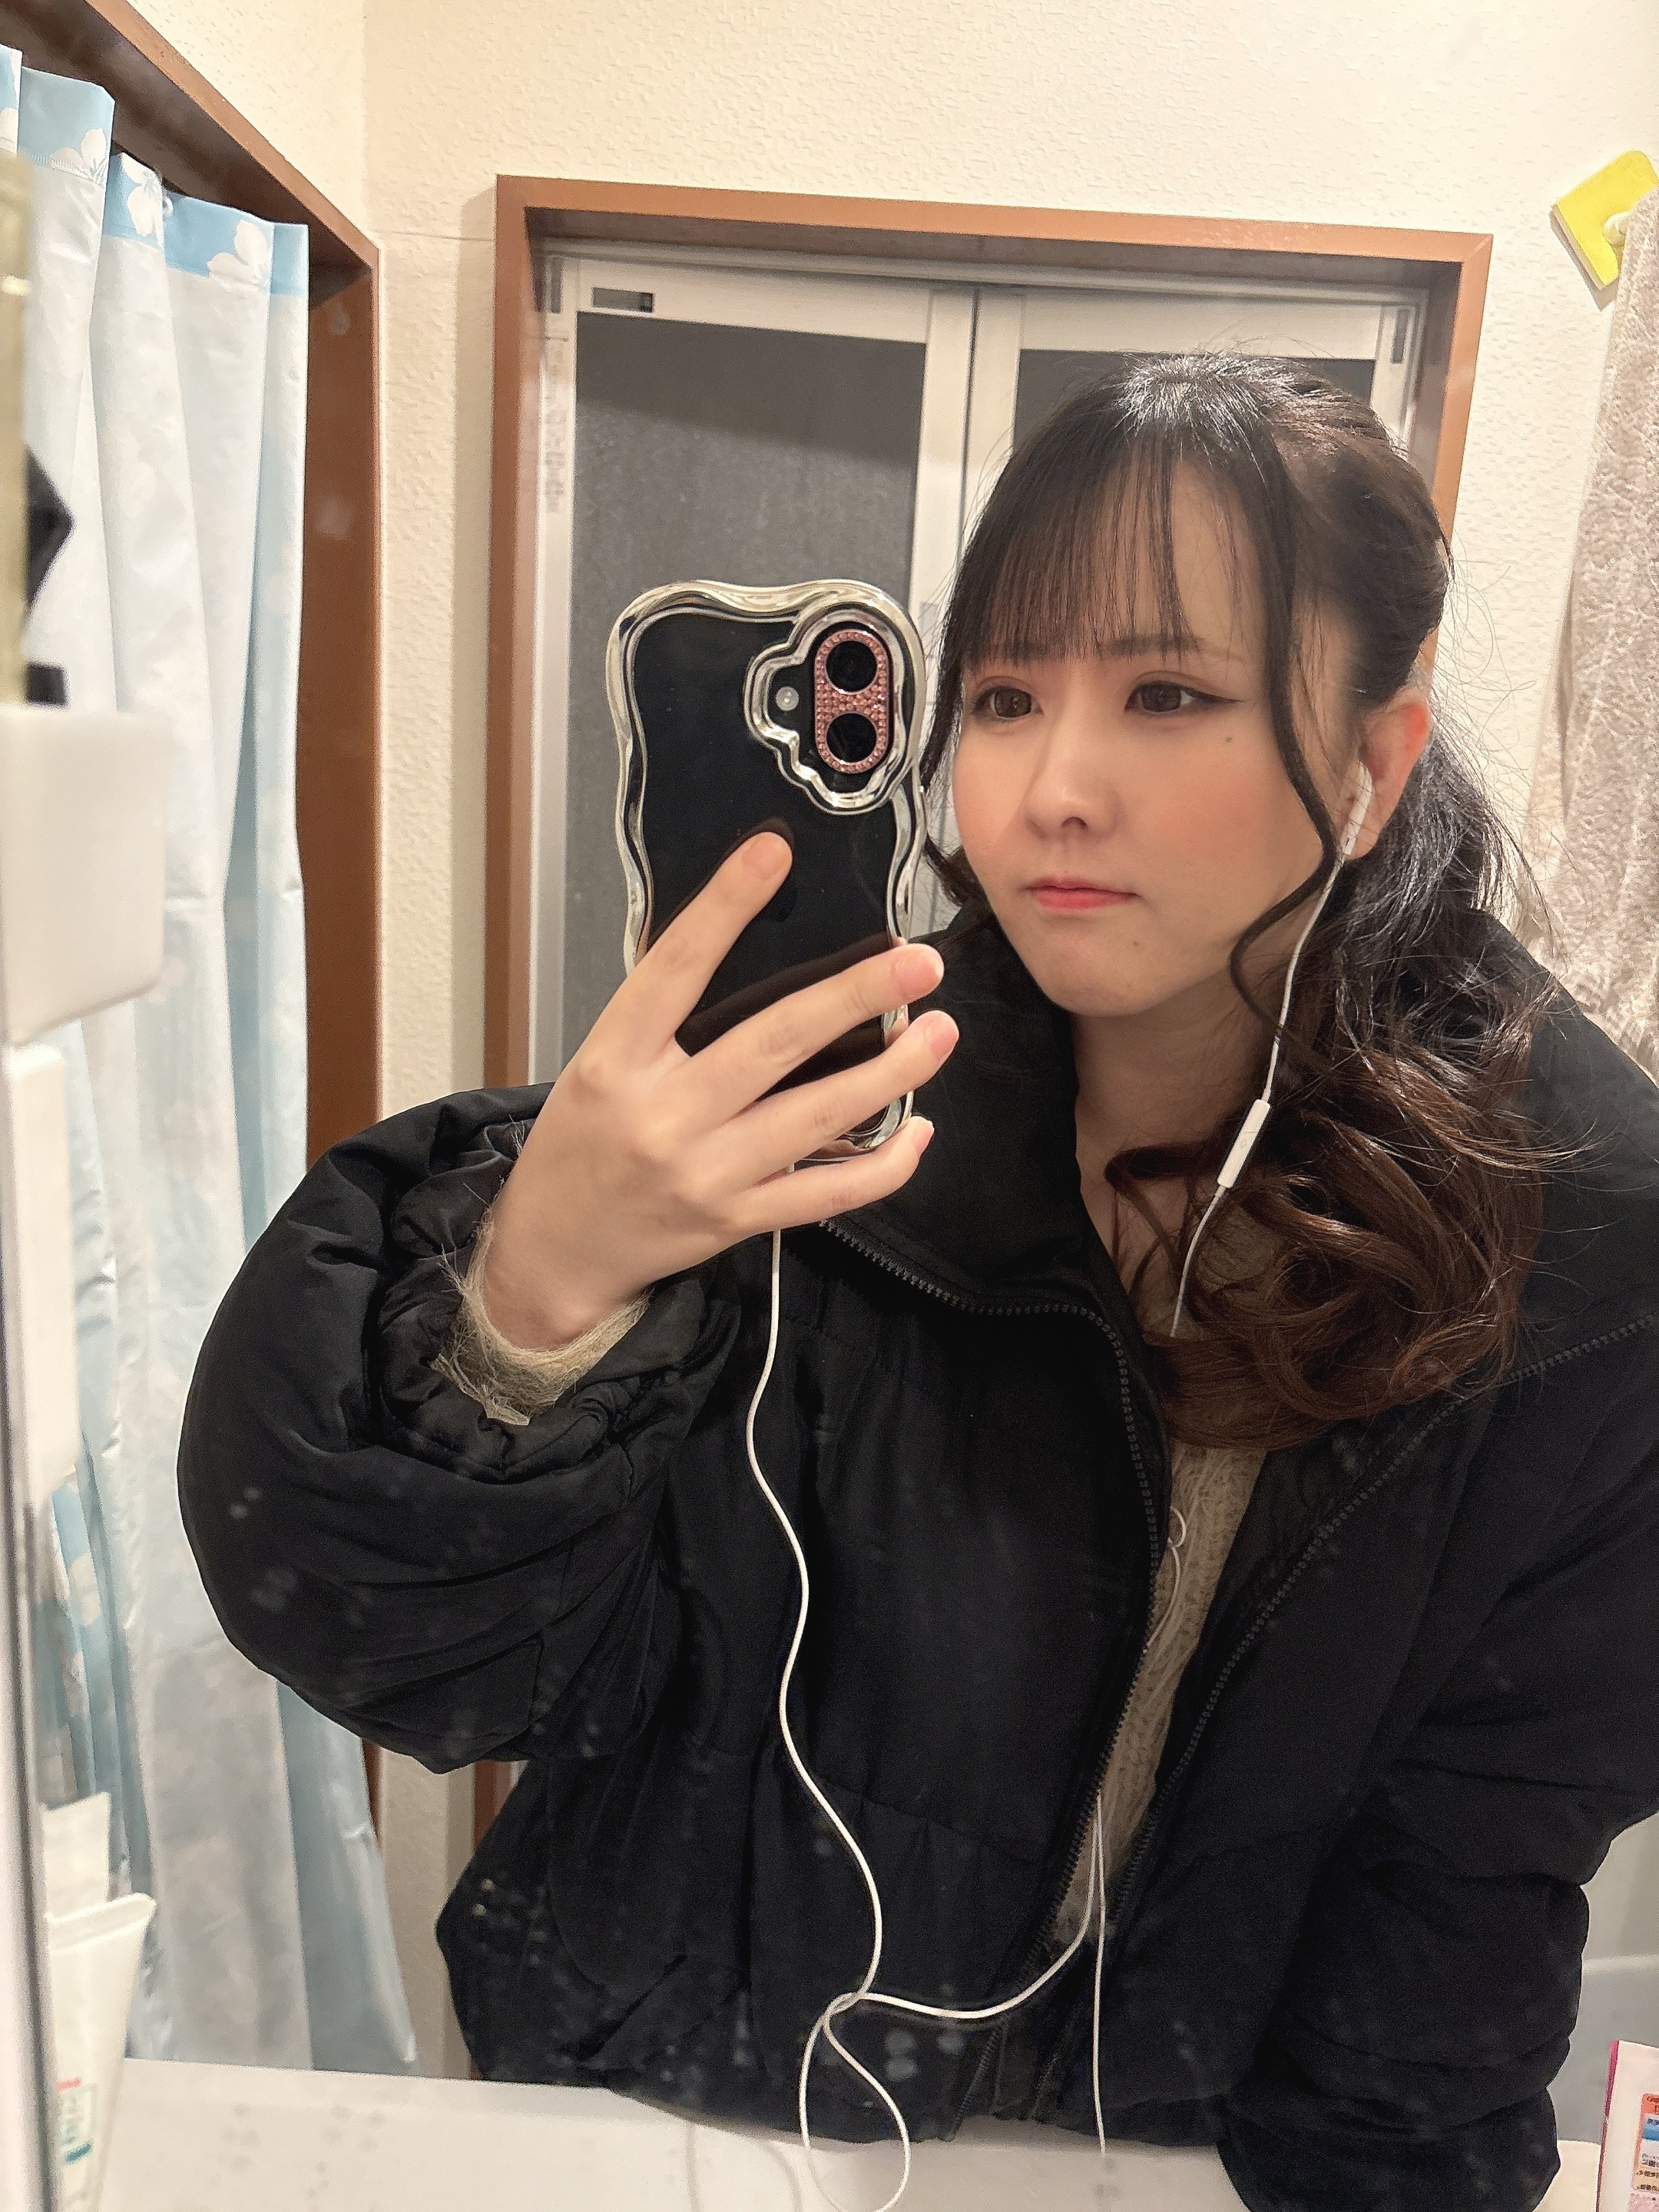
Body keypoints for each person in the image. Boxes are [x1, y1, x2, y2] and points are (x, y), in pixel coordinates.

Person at [180, 359, 1659, 2212]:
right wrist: (534, 1290)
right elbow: (408, 1669)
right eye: (1006, 697)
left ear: (1374, 764)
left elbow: (1465, 1890)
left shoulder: (1581, 1256)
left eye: (1169, 695)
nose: (1050, 791)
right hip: (678, 2126)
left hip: (1165, 2172)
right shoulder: (811, 1130)